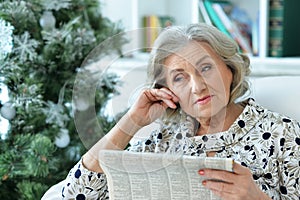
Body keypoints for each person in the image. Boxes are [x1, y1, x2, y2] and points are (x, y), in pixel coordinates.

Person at [61, 23, 300, 199]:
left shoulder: (282, 134)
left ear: (230, 69)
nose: (197, 87)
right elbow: (74, 195)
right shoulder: (161, 141)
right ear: (167, 90)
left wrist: (256, 198)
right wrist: (131, 122)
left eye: (206, 68)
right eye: (179, 78)